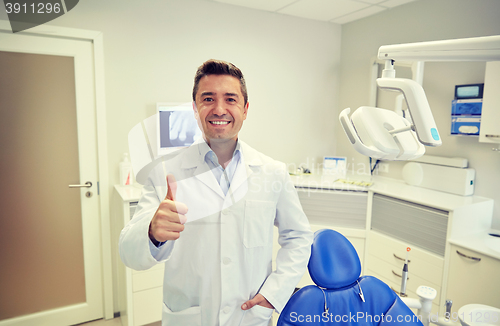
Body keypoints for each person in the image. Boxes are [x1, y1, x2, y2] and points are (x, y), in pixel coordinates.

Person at [119, 59, 313, 326]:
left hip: (249, 315)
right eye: (208, 98)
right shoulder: (166, 171)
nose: (219, 108)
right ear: (195, 109)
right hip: (189, 317)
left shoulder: (272, 172)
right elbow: (129, 253)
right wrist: (151, 232)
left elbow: (299, 236)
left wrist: (275, 293)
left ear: (245, 109)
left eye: (230, 99)